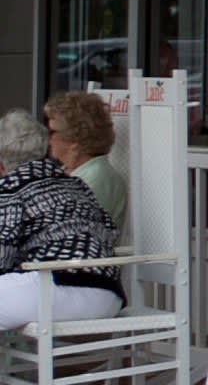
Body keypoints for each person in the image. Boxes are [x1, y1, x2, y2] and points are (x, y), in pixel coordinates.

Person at [0, 107, 122, 328]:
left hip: (55, 288)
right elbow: (110, 230)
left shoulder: (10, 189)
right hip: (108, 295)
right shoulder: (75, 184)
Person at [44, 89, 125, 230]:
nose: (48, 138)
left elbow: (67, 229)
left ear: (74, 140)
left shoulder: (97, 178)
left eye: (52, 132)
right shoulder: (70, 172)